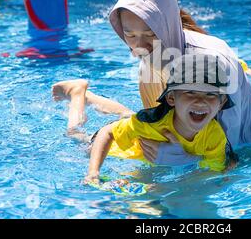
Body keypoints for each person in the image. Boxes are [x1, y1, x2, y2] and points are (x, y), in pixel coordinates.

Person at [52, 0, 251, 167]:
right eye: (130, 35)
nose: (140, 46)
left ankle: (83, 94)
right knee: (84, 142)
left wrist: (186, 159)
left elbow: (231, 153)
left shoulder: (214, 66)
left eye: (150, 34)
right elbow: (152, 127)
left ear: (168, 25)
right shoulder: (148, 63)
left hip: (248, 145)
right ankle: (78, 98)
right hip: (195, 140)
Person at [66, 53, 237, 184]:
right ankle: (77, 92)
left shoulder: (215, 136)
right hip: (113, 147)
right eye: (190, 92)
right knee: (75, 136)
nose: (200, 101)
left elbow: (214, 171)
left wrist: (186, 159)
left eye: (210, 94)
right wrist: (93, 172)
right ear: (171, 98)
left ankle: (89, 96)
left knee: (130, 117)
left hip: (137, 125)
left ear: (221, 103)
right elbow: (106, 133)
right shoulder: (151, 124)